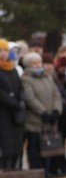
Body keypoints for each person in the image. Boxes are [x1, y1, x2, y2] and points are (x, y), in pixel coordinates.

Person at [21, 52, 63, 176]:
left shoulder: (48, 77)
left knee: (49, 146)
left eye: (39, 63)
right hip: (35, 120)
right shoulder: (26, 80)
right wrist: (43, 112)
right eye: (34, 64)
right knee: (35, 147)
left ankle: (49, 169)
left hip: (50, 118)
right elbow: (30, 99)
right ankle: (37, 172)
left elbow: (57, 95)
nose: (38, 66)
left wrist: (56, 110)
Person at [1, 39, 27, 170]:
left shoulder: (13, 69)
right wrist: (13, 103)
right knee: (5, 144)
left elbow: (20, 87)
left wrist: (21, 101)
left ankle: (16, 169)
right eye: (0, 51)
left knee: (17, 142)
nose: (3, 54)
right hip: (3, 113)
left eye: (5, 50)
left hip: (16, 114)